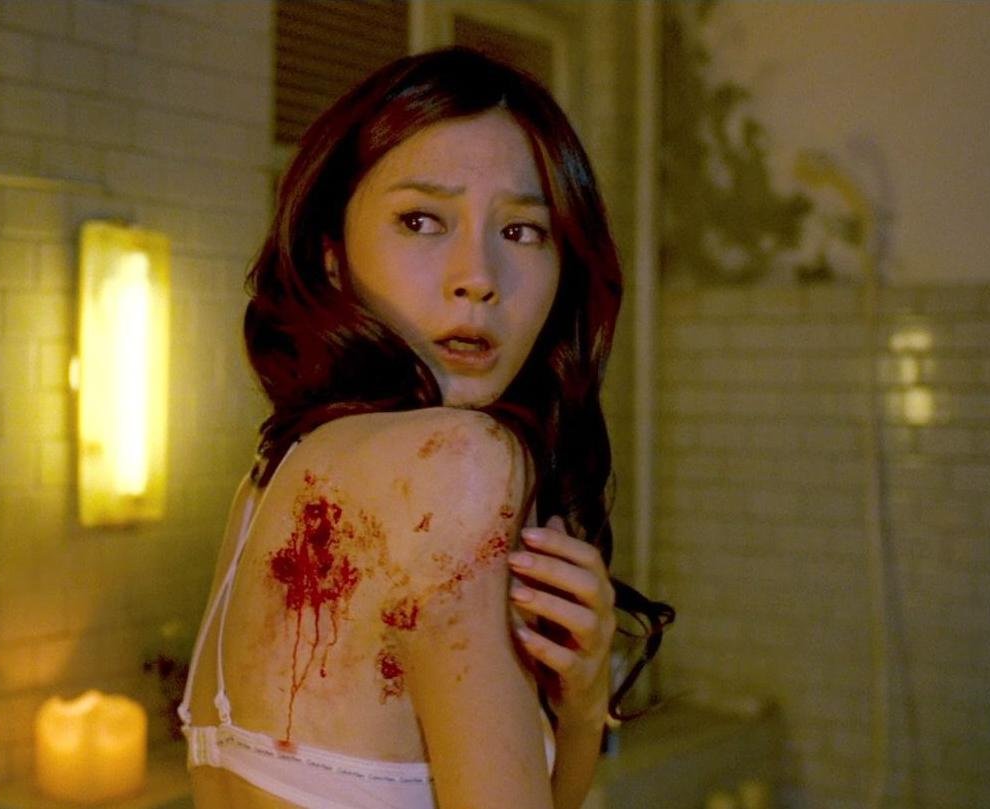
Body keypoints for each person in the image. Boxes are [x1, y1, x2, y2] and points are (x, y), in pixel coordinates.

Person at [180, 47, 672, 809]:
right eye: (421, 220)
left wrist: (579, 710)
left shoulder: (267, 479)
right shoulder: (455, 463)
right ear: (332, 257)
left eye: (522, 231)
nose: (477, 277)